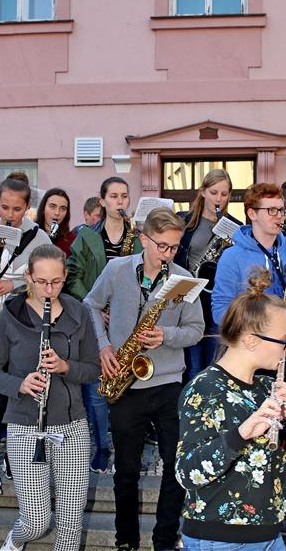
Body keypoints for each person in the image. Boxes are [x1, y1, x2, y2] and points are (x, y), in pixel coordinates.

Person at [175, 268, 286, 550]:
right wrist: (241, 434)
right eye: (284, 339)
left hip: (269, 536)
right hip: (219, 538)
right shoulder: (206, 388)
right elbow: (187, 473)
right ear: (251, 340)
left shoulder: (266, 387)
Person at [84, 207, 204, 551]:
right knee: (125, 470)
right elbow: (90, 305)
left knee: (176, 465)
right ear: (144, 239)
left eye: (174, 247)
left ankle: (165, 538)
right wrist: (104, 346)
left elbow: (195, 331)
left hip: (167, 385)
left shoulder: (183, 279)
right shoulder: (117, 269)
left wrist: (165, 334)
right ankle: (126, 540)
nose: (168, 254)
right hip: (126, 383)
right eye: (162, 246)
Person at [0, 243, 99, 551]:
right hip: (25, 426)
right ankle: (15, 540)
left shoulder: (78, 311)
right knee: (36, 522)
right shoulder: (10, 315)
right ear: (29, 277)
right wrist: (20, 384)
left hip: (72, 427)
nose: (49, 289)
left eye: (57, 282)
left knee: (71, 525)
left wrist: (64, 366)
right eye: (42, 281)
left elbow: (93, 369)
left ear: (65, 277)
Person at [0, 171, 51, 496]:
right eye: (5, 207)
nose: (10, 214)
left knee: (20, 391)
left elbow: (50, 277)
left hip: (23, 324)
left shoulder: (40, 239)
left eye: (17, 209)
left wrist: (14, 284)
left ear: (28, 206)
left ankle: (16, 457)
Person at [65, 176, 143, 474]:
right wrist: (96, 306)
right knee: (97, 392)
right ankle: (100, 447)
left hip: (128, 322)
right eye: (113, 196)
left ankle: (126, 445)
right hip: (94, 321)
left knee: (127, 389)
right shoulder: (86, 236)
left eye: (124, 196)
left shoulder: (137, 237)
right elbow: (73, 277)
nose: (119, 202)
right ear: (102, 201)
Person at [212, 182, 286, 397]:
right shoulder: (232, 256)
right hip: (253, 356)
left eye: (281, 210)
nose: (279, 216)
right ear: (252, 213)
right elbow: (219, 311)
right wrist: (260, 325)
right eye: (271, 210)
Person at [175, 168, 242, 381]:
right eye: (214, 193)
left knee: (215, 363)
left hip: (216, 299)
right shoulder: (184, 221)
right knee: (192, 366)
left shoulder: (236, 227)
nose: (219, 199)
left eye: (224, 194)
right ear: (203, 192)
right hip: (189, 297)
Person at [36, 188, 76, 258]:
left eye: (63, 209)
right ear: (43, 208)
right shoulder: (31, 233)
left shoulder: (72, 241)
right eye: (52, 206)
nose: (57, 213)